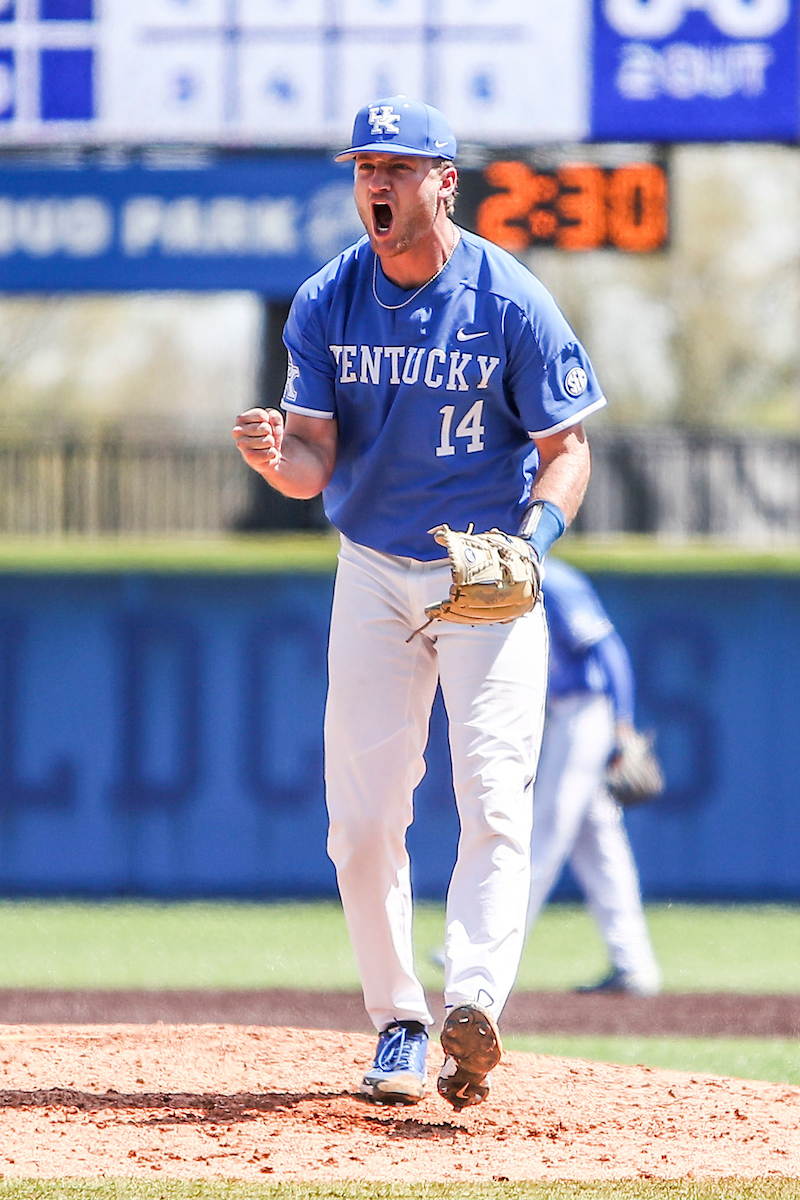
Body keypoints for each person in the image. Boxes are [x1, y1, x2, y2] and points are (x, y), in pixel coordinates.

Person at [232, 95, 606, 1110]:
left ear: (445, 181)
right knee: (359, 820)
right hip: (372, 564)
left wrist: (533, 543)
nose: (378, 185)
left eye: (399, 168)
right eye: (365, 168)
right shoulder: (327, 297)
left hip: (482, 567)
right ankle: (397, 1021)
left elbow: (564, 448)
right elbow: (314, 464)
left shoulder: (509, 299)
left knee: (490, 796)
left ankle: (471, 1008)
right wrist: (277, 458)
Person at [527, 557, 662, 996]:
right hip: (565, 715)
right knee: (600, 844)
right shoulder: (512, 576)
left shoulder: (557, 580)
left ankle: (484, 952)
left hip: (588, 713)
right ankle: (635, 965)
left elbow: (611, 651)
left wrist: (623, 726)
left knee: (545, 830)